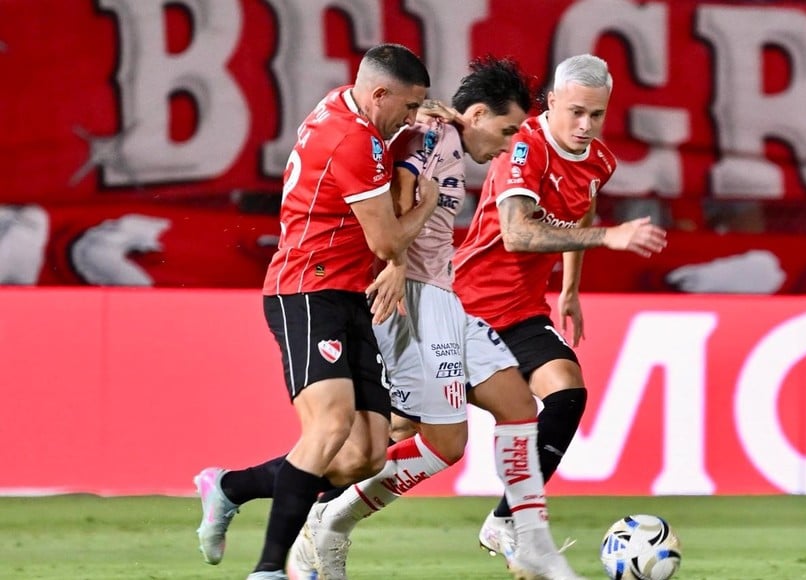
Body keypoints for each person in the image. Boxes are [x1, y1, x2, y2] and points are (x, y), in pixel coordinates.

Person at [285, 56, 586, 580]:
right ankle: (310, 516)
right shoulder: (428, 136)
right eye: (507, 129)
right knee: (394, 447)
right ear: (475, 114)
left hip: (444, 301)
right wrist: (396, 266)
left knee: (514, 408)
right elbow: (398, 202)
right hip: (411, 306)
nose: (511, 143)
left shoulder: (442, 132)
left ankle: (516, 529)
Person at [194, 43, 438, 580]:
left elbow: (393, 120)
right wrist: (429, 201)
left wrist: (424, 120)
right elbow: (386, 241)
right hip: (307, 291)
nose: (414, 117)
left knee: (366, 455)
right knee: (328, 428)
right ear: (378, 95)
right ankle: (267, 569)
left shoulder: (344, 105)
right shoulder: (356, 141)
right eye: (410, 106)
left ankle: (229, 487)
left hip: (350, 296)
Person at [450, 54, 668, 563]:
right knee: (391, 441)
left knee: (568, 394)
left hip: (524, 309)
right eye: (575, 112)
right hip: (464, 306)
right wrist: (611, 238)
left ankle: (507, 521)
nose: (586, 126)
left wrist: (570, 287)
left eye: (596, 114)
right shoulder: (520, 145)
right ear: (551, 103)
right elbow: (518, 233)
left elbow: (579, 213)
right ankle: (278, 496)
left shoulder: (599, 162)